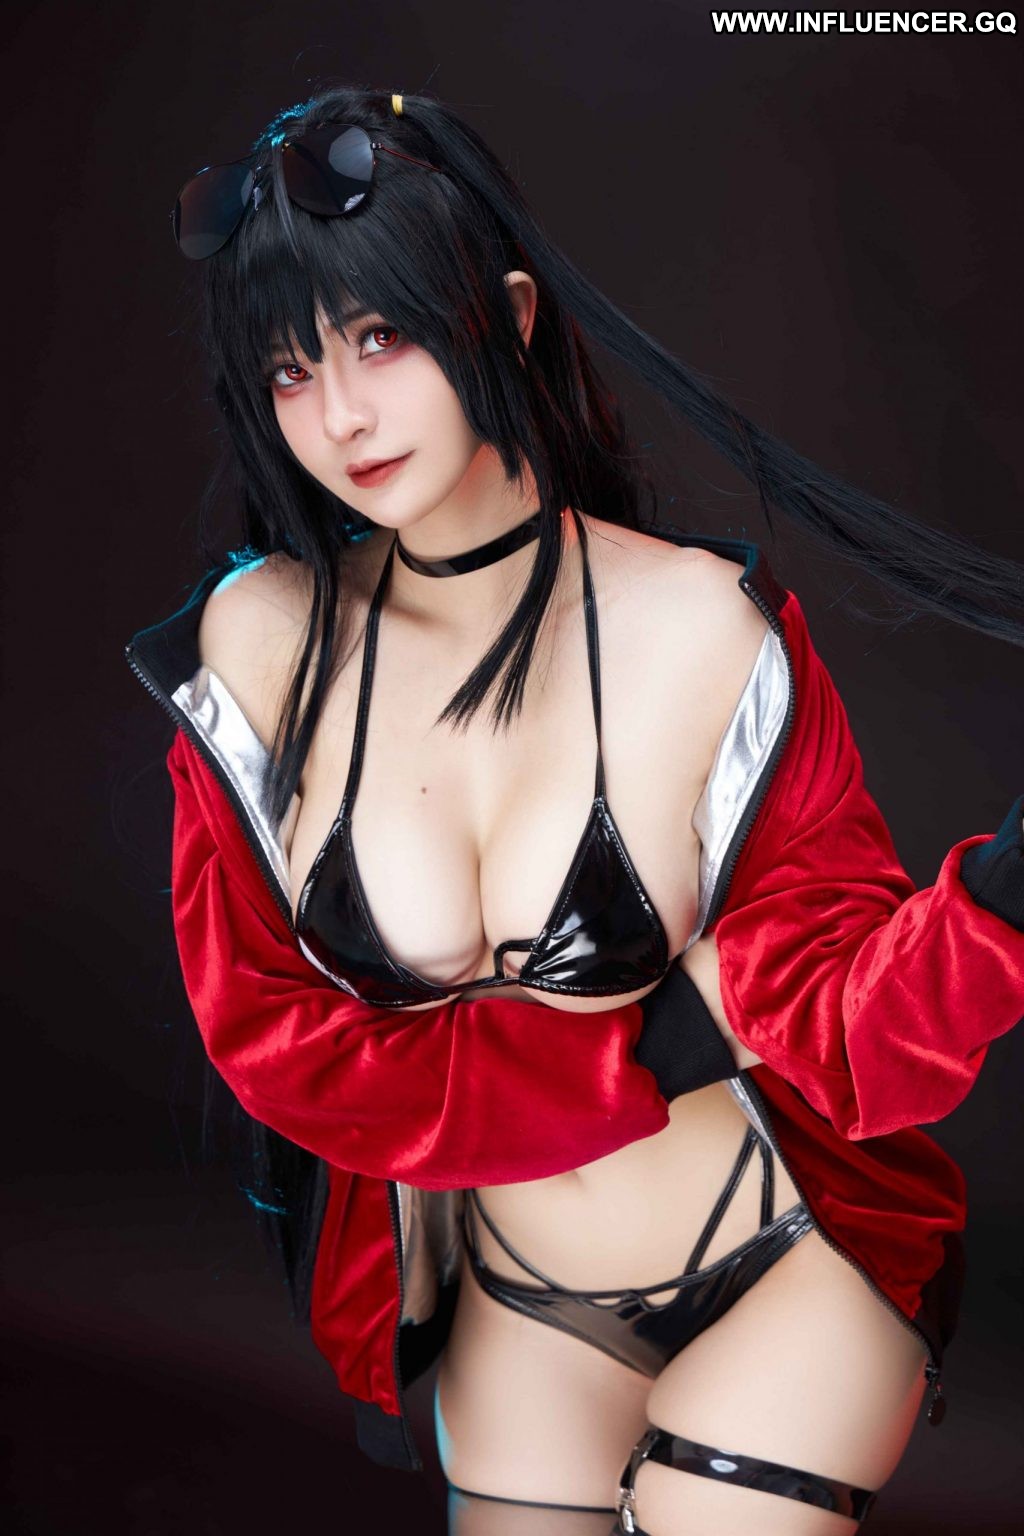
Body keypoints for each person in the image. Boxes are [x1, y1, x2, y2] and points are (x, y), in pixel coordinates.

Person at [125, 85, 1024, 1534]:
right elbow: (281, 1051)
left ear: (509, 316)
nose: (342, 416)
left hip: (779, 1256)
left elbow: (850, 1023)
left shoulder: (704, 628)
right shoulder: (259, 650)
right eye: (291, 369)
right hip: (519, 1305)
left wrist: (1003, 903)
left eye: (381, 337)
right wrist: (663, 1041)